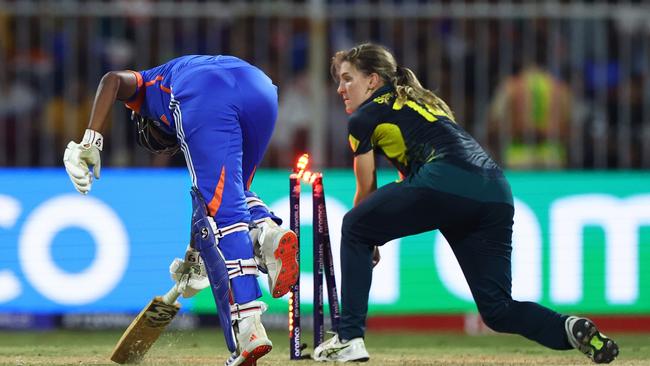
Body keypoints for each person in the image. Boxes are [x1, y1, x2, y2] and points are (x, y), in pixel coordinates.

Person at [314, 43, 619, 364]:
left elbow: (366, 188)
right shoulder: (424, 102)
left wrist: (367, 235)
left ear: (373, 80)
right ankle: (569, 328)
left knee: (353, 225)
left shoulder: (364, 116)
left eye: (348, 79)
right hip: (495, 190)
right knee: (498, 310)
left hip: (445, 182)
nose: (340, 88)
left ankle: (349, 338)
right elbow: (421, 166)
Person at [62, 55, 299, 366]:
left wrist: (90, 140)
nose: (169, 144)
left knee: (228, 218)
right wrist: (194, 255)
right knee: (235, 198)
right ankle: (267, 234)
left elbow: (112, 79)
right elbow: (208, 209)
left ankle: (250, 328)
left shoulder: (148, 90)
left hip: (203, 93)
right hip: (260, 88)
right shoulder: (182, 71)